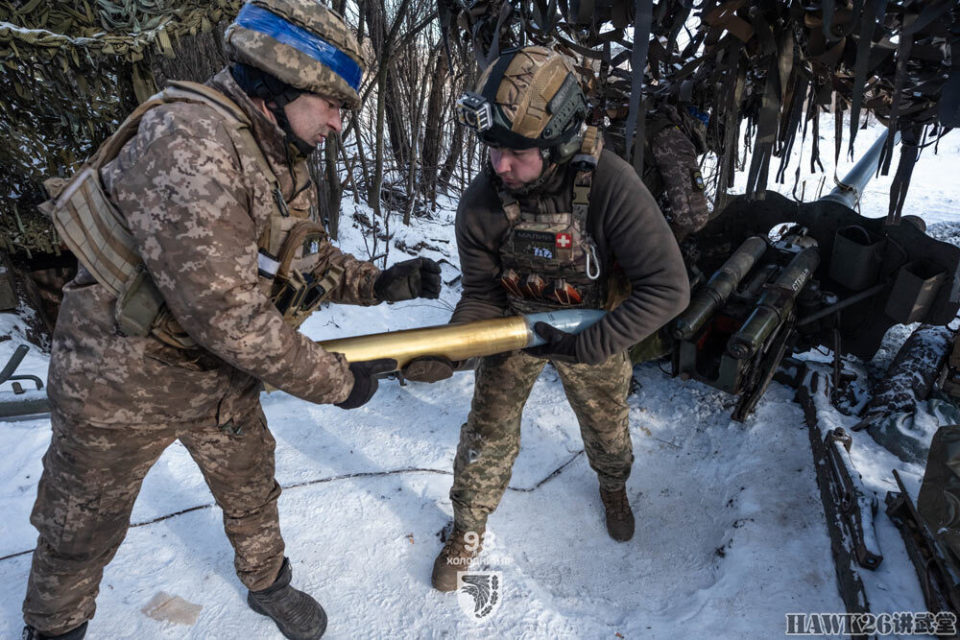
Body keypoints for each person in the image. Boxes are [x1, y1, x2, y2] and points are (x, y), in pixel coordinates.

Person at [22, 1, 440, 639]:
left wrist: (376, 283)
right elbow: (229, 314)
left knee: (252, 491)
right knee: (80, 527)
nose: (337, 122)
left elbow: (297, 253)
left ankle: (268, 583)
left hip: (217, 378)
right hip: (121, 384)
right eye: (331, 103)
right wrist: (338, 382)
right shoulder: (189, 143)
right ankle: (56, 628)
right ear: (280, 82)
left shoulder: (273, 150)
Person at [402, 46, 690, 592]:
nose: (499, 166)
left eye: (517, 152)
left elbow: (669, 289)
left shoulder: (610, 185)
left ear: (557, 141)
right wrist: (451, 350)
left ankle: (613, 487)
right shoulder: (483, 202)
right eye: (493, 149)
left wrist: (591, 344)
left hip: (593, 331)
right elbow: (482, 295)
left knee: (607, 429)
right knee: (486, 434)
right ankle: (467, 528)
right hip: (515, 328)